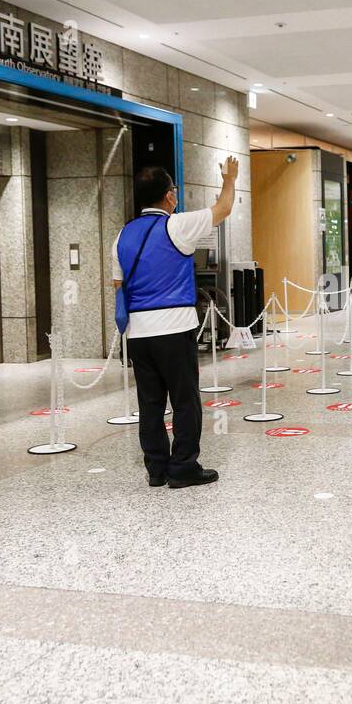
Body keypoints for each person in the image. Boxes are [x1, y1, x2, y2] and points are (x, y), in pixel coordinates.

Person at [112, 158, 239, 489]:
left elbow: (117, 287)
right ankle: (183, 466)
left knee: (149, 402)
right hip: (175, 327)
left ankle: (156, 468)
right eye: (174, 192)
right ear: (169, 196)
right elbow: (223, 208)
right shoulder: (177, 226)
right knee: (184, 399)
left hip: (138, 334)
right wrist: (229, 179)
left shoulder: (121, 236)